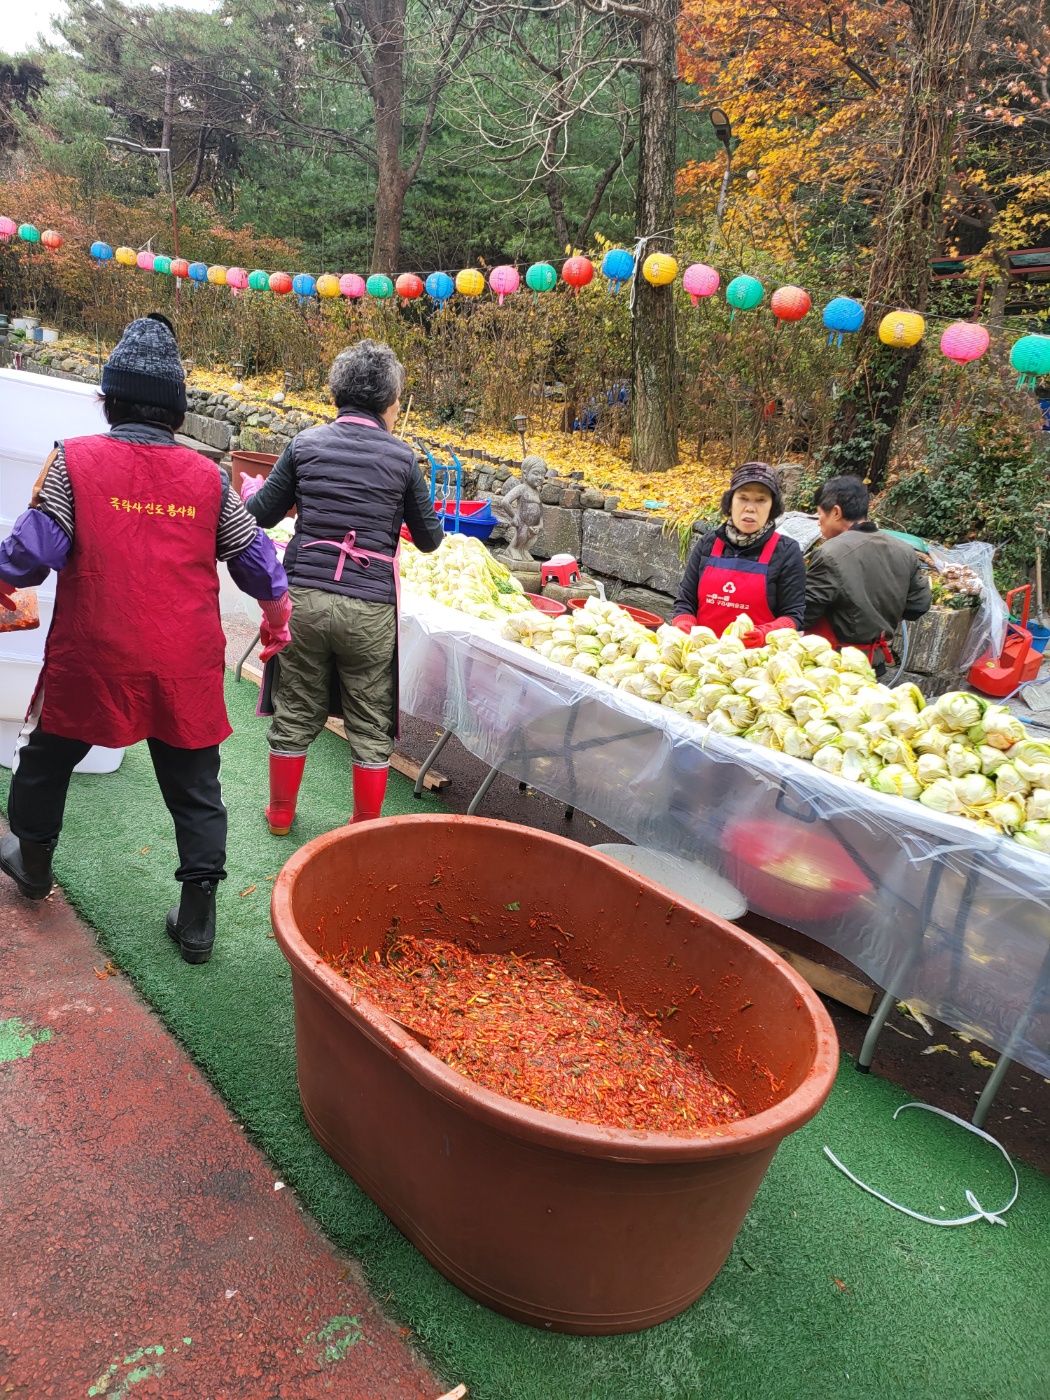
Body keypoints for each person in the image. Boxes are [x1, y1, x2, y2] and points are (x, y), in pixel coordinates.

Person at [0, 314, 290, 964]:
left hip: (93, 654)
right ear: (176, 410)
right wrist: (277, 618)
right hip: (184, 663)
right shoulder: (208, 478)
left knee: (45, 759)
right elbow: (258, 564)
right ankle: (198, 922)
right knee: (196, 787)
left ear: (109, 398)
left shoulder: (74, 461)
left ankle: (34, 865)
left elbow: (28, 558)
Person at [242, 339, 443, 835]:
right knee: (370, 720)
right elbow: (430, 539)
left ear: (337, 393)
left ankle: (280, 814)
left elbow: (260, 514)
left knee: (296, 706)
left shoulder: (304, 444)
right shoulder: (402, 458)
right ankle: (362, 828)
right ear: (389, 401)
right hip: (370, 610)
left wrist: (253, 491)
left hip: (304, 600)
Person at [803, 475, 931, 674]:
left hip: (833, 666)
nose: (819, 522)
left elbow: (805, 613)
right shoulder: (904, 550)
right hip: (874, 665)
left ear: (836, 512)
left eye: (820, 515)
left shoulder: (830, 553)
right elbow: (918, 606)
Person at [672, 462, 806, 645]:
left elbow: (793, 615)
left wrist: (766, 634)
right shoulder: (708, 544)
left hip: (755, 657)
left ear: (772, 508)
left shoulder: (786, 551)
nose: (750, 508)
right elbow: (685, 601)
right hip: (701, 655)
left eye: (761, 500)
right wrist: (684, 626)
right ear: (730, 503)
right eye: (743, 498)